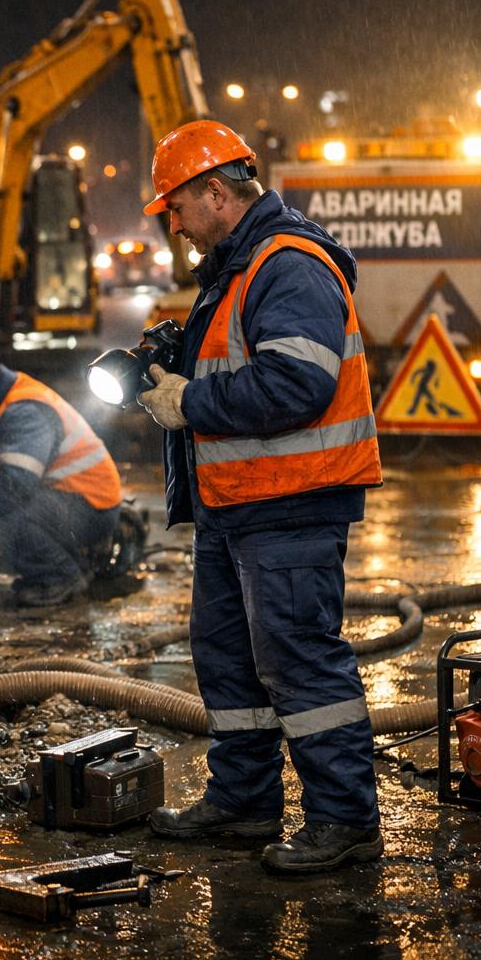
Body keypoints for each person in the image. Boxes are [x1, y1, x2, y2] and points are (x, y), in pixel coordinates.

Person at [135, 120, 384, 874]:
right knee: (229, 659)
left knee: (300, 660)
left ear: (217, 191)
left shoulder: (289, 263)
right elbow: (251, 359)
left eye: (175, 206)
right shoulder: (238, 266)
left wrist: (189, 402)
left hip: (291, 500)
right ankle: (243, 801)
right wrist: (178, 358)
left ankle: (345, 821)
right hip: (239, 502)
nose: (171, 223)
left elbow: (296, 382)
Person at [0, 340, 122, 607]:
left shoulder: (22, 410)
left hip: (92, 507)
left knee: (5, 516)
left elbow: (15, 487)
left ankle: (61, 577)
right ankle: (68, 564)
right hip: (71, 499)